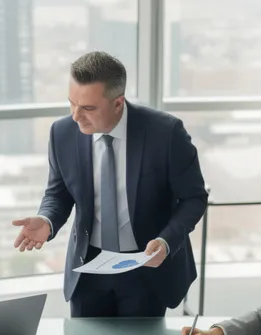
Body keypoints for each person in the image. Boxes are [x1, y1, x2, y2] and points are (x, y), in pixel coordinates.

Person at [13, 51, 207, 317]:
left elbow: (193, 198)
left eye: (88, 108)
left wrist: (166, 241)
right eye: (72, 104)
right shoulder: (62, 133)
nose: (76, 116)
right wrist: (46, 219)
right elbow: (58, 193)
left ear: (118, 103)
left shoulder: (166, 133)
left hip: (145, 268)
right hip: (88, 269)